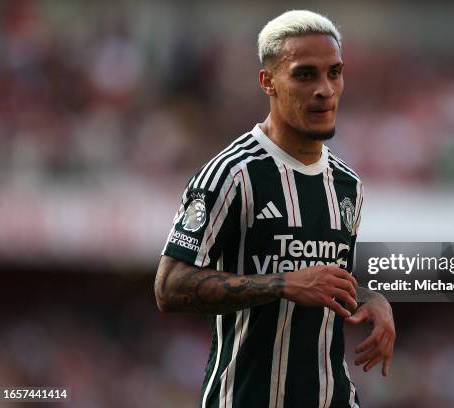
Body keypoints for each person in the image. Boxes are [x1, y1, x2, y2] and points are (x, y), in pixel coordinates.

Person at [154, 10, 395, 408]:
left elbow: (326, 279)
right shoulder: (230, 174)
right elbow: (169, 286)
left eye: (334, 73)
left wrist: (372, 300)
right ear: (268, 82)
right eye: (305, 74)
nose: (325, 89)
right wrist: (283, 283)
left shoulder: (347, 184)